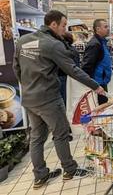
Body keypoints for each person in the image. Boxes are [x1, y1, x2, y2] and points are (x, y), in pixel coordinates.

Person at [13, 10, 105, 189]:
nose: (65, 29)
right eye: (63, 25)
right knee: (60, 133)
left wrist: (29, 86)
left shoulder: (23, 41)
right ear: (53, 24)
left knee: (36, 137)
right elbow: (73, 70)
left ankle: (40, 176)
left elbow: (16, 68)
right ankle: (70, 169)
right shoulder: (52, 44)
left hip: (29, 98)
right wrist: (95, 86)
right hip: (48, 98)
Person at [82, 19, 112, 105]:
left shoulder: (101, 42)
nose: (108, 29)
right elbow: (87, 66)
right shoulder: (95, 44)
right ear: (98, 29)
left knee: (104, 106)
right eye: (105, 27)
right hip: (97, 84)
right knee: (100, 108)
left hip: (102, 82)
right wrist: (92, 85)